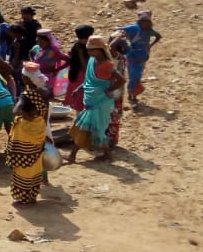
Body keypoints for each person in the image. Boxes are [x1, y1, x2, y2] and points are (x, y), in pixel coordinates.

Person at [67, 35, 122, 163]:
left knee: (84, 127)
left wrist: (109, 90)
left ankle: (72, 155)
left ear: (99, 50)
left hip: (101, 102)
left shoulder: (107, 64)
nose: (88, 52)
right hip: (91, 100)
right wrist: (80, 88)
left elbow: (121, 80)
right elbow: (88, 79)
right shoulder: (92, 61)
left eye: (91, 50)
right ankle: (107, 154)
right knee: (95, 129)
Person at [9, 63, 51, 207]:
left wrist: (20, 108)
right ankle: (32, 196)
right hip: (39, 130)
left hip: (25, 134)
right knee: (35, 163)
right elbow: (45, 112)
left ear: (27, 79)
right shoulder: (44, 92)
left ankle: (24, 199)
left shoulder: (26, 95)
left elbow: (15, 111)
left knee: (23, 165)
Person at [114, 10, 160, 106]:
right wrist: (119, 33)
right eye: (144, 22)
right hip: (132, 55)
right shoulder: (134, 28)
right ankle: (132, 95)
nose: (146, 24)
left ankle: (133, 95)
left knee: (137, 75)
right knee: (133, 76)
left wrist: (150, 45)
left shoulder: (149, 30)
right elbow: (119, 29)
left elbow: (158, 36)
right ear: (140, 22)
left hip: (142, 56)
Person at [64, 24, 96, 112]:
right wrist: (80, 54)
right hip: (81, 76)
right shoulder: (86, 48)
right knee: (80, 101)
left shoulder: (78, 45)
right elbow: (86, 67)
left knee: (78, 101)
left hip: (76, 75)